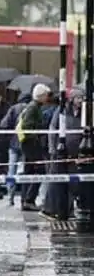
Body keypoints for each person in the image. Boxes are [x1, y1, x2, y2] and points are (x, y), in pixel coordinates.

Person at [43, 88, 83, 220]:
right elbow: (53, 128)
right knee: (56, 181)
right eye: (78, 98)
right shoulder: (62, 111)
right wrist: (53, 149)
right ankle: (50, 209)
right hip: (60, 153)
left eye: (82, 98)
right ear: (72, 99)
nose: (80, 101)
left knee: (73, 183)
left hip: (76, 154)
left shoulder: (85, 114)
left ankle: (68, 209)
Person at [19, 83, 53, 211]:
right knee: (39, 170)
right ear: (41, 95)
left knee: (28, 171)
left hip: (29, 144)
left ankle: (26, 200)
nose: (47, 98)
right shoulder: (33, 107)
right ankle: (29, 199)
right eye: (46, 95)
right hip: (31, 145)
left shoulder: (35, 107)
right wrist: (37, 132)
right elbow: (27, 126)